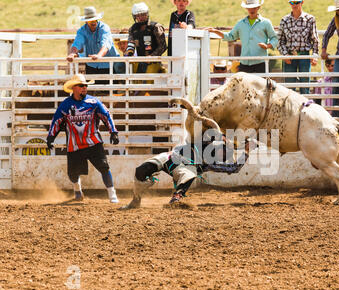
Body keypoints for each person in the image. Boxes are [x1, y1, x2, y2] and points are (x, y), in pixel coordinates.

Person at [120, 136, 257, 209]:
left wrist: (246, 151)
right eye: (224, 151)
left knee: (190, 173)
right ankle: (135, 200)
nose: (223, 155)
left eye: (225, 154)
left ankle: (177, 198)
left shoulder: (210, 163)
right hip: (170, 157)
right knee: (140, 170)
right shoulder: (204, 142)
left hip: (185, 168)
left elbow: (233, 168)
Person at [46, 74, 120, 203]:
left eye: (85, 85)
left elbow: (106, 116)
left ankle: (112, 195)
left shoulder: (94, 102)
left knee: (104, 167)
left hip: (93, 142)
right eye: (81, 86)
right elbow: (56, 121)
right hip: (74, 145)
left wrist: (113, 132)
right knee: (73, 174)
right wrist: (51, 137)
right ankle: (77, 190)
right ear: (74, 88)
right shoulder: (66, 105)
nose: (84, 88)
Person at [207, 0, 278, 74]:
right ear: (246, 9)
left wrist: (267, 46)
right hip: (244, 63)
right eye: (249, 8)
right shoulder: (240, 24)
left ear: (258, 7)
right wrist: (215, 31)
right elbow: (230, 36)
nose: (251, 10)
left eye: (253, 8)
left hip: (260, 62)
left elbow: (274, 38)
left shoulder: (266, 23)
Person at [278, 0, 319, 94]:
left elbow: (315, 39)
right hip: (289, 55)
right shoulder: (284, 20)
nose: (294, 5)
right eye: (292, 2)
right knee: (289, 87)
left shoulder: (310, 19)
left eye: (297, 2)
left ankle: (305, 107)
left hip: (304, 55)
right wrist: (285, 54)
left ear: (302, 2)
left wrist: (315, 55)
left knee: (305, 86)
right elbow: (280, 41)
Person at [67, 7, 120, 77]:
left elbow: (106, 45)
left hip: (109, 63)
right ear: (86, 21)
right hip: (91, 64)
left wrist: (99, 55)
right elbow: (77, 43)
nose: (93, 22)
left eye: (95, 20)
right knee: (91, 86)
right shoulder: (82, 30)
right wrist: (72, 53)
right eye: (90, 21)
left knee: (111, 86)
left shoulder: (104, 28)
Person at [126, 2, 167, 75]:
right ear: (134, 16)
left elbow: (163, 46)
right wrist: (129, 53)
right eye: (138, 15)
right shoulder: (132, 29)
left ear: (147, 14)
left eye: (143, 14)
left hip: (155, 63)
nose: (140, 17)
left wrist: (151, 57)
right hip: (140, 62)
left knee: (149, 81)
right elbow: (131, 43)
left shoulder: (156, 27)